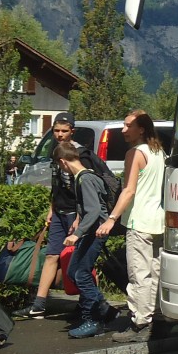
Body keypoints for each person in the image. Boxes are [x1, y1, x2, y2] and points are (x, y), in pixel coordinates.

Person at [13, 112, 102, 320]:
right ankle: (39, 305)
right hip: (60, 212)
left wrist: (81, 217)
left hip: (76, 214)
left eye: (64, 131)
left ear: (72, 130)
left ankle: (87, 304)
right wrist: (52, 208)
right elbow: (57, 185)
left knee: (80, 260)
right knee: (52, 256)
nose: (60, 135)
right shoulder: (57, 152)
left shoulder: (82, 154)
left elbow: (87, 189)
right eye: (56, 131)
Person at [98, 110, 165, 343]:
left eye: (128, 126)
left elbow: (129, 190)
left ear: (141, 129)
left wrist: (111, 218)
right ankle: (155, 318)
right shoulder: (158, 152)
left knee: (139, 275)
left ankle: (140, 323)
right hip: (158, 221)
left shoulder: (135, 153)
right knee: (155, 273)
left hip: (139, 221)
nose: (124, 130)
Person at [56, 140, 120, 338]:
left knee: (81, 274)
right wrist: (78, 220)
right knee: (74, 271)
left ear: (63, 162)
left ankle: (93, 320)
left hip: (96, 233)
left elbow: (93, 211)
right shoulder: (83, 177)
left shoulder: (85, 179)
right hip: (91, 231)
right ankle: (104, 310)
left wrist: (77, 233)